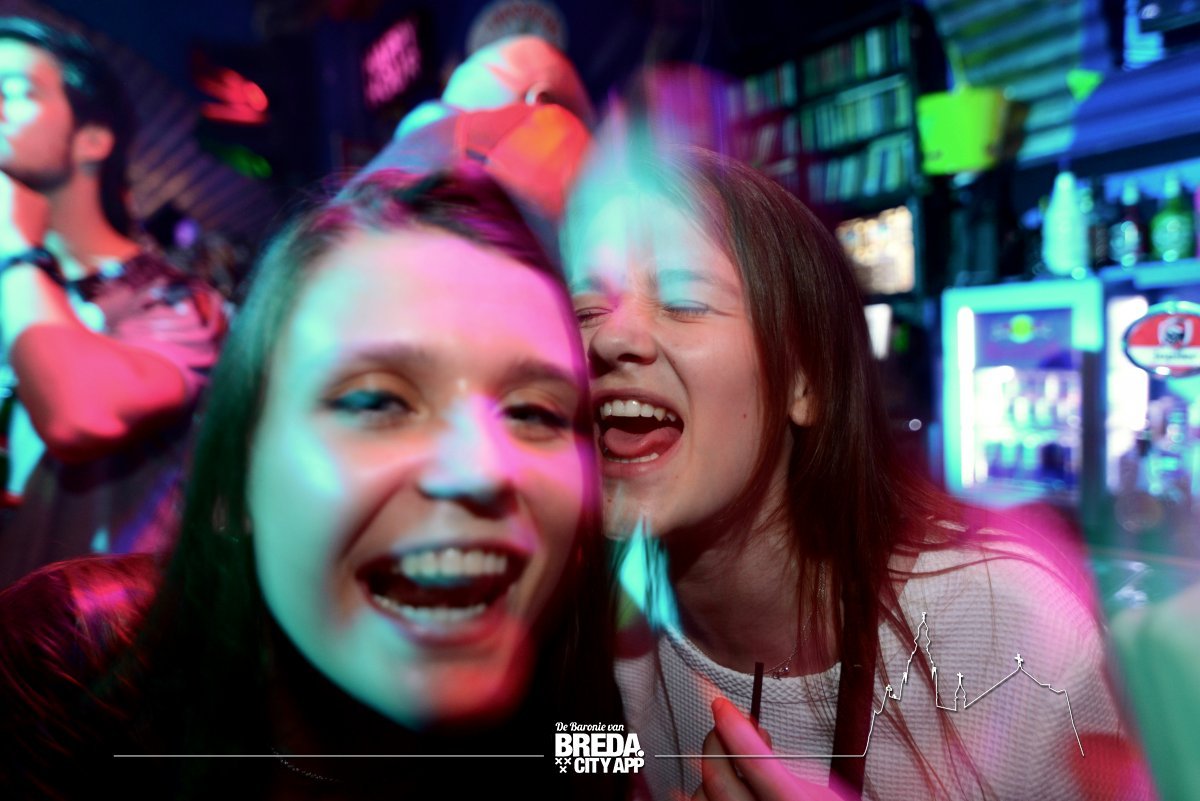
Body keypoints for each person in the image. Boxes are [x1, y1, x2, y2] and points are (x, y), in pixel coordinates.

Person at [0, 166, 625, 799]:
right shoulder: (77, 663)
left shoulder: (588, 726)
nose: (483, 468)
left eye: (535, 413)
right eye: (377, 401)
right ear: (236, 477)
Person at [562, 139, 1152, 800]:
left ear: (806, 382)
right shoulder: (576, 630)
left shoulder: (1012, 633)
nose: (609, 337)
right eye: (584, 311)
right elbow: (581, 770)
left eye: (682, 299)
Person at [0, 17, 226, 588]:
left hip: (87, 639)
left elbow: (81, 414)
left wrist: (15, 249)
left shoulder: (167, 299)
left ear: (92, 141)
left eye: (14, 91)